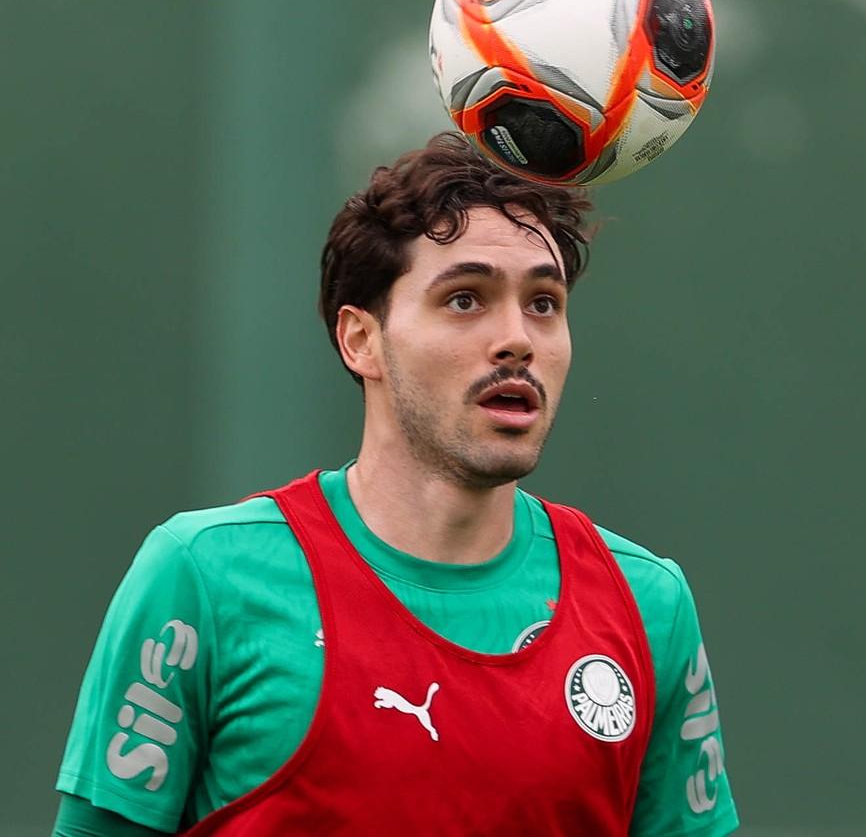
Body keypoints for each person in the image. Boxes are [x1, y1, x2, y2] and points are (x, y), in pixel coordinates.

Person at [52, 132, 739, 836]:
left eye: (543, 303)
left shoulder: (646, 605)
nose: (517, 338)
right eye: (466, 300)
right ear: (361, 340)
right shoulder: (205, 578)